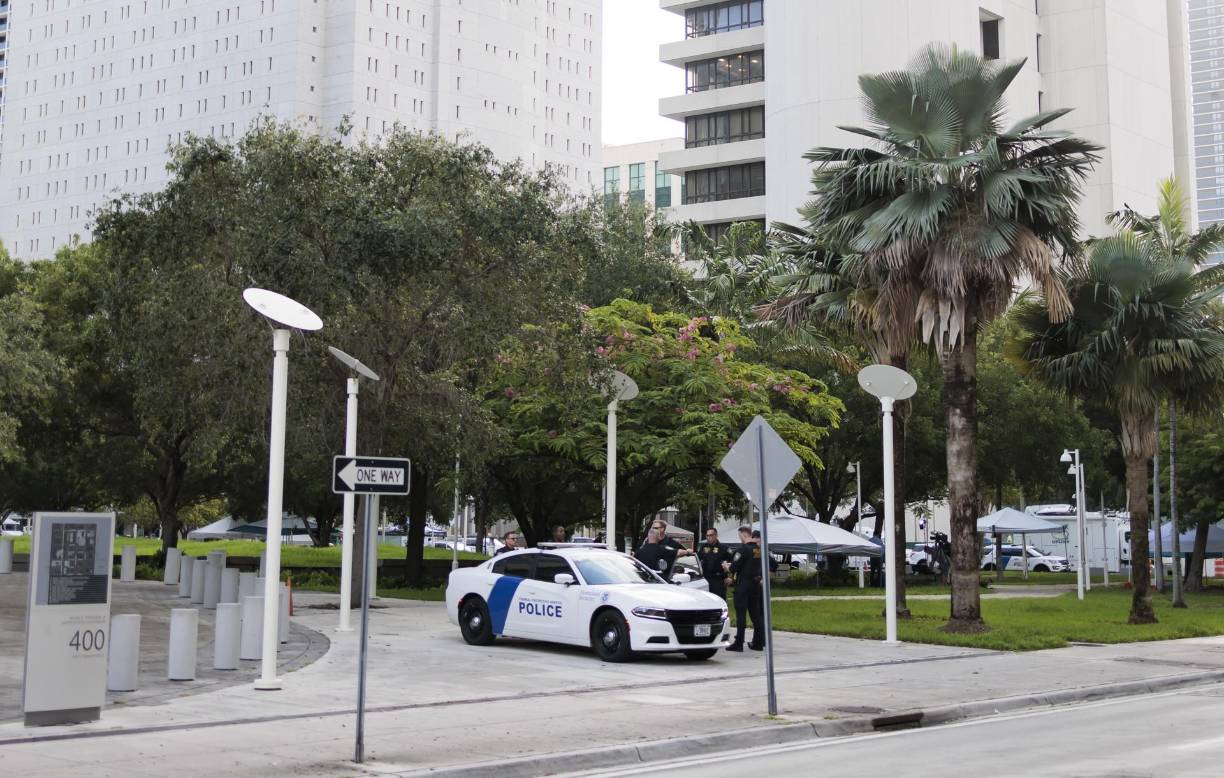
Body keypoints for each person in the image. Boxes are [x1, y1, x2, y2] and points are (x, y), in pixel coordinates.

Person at [725, 526, 775, 651]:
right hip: (755, 584)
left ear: (743, 535)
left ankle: (739, 643)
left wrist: (726, 566)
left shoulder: (742, 550)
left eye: (739, 536)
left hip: (743, 585)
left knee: (741, 614)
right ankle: (758, 642)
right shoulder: (759, 550)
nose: (739, 538)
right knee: (756, 614)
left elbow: (733, 568)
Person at [697, 528, 733, 599]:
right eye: (707, 535)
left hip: (719, 580)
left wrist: (730, 577)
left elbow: (735, 563)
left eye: (711, 535)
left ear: (716, 535)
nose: (708, 537)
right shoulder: (704, 547)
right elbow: (697, 560)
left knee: (718, 601)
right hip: (705, 579)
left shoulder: (724, 548)